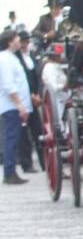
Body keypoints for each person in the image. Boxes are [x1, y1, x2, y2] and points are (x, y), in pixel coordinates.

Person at [0, 29, 33, 185]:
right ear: (9, 41)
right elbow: (8, 85)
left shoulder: (11, 58)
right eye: (16, 38)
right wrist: (20, 105)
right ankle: (9, 172)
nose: (19, 40)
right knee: (11, 139)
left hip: (13, 105)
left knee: (13, 138)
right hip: (10, 105)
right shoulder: (5, 59)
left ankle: (11, 171)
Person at [16, 32, 40, 174]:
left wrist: (37, 94)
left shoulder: (32, 57)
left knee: (38, 131)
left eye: (26, 41)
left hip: (34, 98)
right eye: (23, 41)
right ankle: (26, 163)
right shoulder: (16, 59)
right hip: (24, 99)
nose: (25, 44)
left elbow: (36, 77)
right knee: (24, 134)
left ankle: (44, 162)